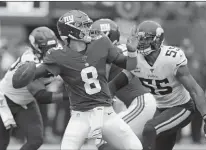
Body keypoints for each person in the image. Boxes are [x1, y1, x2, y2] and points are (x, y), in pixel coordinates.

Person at [13, 10, 142, 150]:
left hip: (106, 113)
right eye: (83, 26)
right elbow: (21, 81)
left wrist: (132, 51)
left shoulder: (101, 41)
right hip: (81, 116)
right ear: (71, 31)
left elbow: (130, 65)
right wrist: (25, 72)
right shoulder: (58, 56)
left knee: (135, 147)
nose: (89, 29)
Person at [108, 20, 206, 150]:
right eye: (140, 39)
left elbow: (195, 90)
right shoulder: (136, 60)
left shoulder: (171, 58)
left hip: (182, 107)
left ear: (157, 40)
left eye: (146, 39)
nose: (141, 42)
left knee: (149, 129)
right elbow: (115, 84)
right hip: (161, 108)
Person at [88, 18, 157, 150]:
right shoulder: (122, 50)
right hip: (143, 103)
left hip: (142, 104)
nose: (90, 41)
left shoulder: (111, 53)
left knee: (105, 139)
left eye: (94, 36)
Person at [0, 26, 64, 150]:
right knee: (2, 144)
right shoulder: (30, 62)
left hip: (26, 101)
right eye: (46, 47)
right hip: (5, 100)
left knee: (36, 141)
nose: (50, 51)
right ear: (36, 47)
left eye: (52, 46)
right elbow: (41, 96)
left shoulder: (59, 53)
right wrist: (68, 96)